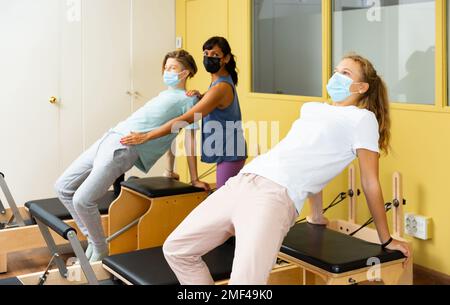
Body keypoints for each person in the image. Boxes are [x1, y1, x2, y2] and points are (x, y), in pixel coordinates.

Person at [159, 54, 411, 285]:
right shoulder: (313, 108)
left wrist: (386, 238)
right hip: (243, 180)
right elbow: (307, 155)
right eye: (336, 70)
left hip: (273, 196)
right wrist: (316, 214)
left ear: (362, 87)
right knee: (177, 249)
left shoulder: (362, 119)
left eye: (346, 73)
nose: (336, 76)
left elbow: (370, 182)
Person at [54, 49, 209, 262]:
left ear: (187, 72)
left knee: (82, 200)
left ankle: (100, 249)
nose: (167, 72)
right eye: (165, 68)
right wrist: (170, 170)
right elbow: (171, 135)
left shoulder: (190, 101)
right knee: (62, 187)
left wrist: (194, 178)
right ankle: (95, 240)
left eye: (173, 68)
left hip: (124, 147)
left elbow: (188, 138)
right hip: (109, 137)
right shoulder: (164, 95)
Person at [120, 37, 247, 189]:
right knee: (224, 196)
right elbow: (215, 99)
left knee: (223, 198)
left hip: (231, 150)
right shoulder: (219, 82)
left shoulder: (220, 88)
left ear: (226, 58)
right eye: (206, 53)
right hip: (227, 147)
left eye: (215, 55)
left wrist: (146, 136)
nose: (209, 58)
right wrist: (202, 95)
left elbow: (185, 120)